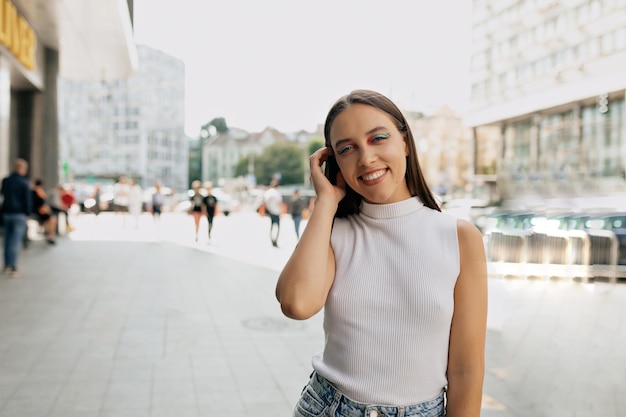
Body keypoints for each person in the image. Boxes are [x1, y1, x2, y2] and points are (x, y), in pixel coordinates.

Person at [276, 90, 488, 417]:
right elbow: (296, 303)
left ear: (404, 142)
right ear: (335, 163)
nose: (366, 158)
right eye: (347, 149)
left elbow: (466, 370)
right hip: (330, 408)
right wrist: (326, 203)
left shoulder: (460, 238)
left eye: (378, 138)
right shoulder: (333, 233)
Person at [1, 159, 32, 276]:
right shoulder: (24, 183)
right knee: (15, 241)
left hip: (6, 213)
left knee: (7, 240)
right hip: (19, 214)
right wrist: (27, 214)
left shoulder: (6, 181)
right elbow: (27, 200)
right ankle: (13, 266)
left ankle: (6, 265)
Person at [32, 179, 57, 244]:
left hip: (38, 211)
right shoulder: (39, 192)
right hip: (40, 211)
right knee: (52, 219)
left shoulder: (35, 191)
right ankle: (50, 236)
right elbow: (42, 204)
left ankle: (49, 234)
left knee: (49, 220)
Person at [263, 179, 283, 247]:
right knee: (277, 227)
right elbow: (279, 203)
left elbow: (264, 202)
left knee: (272, 226)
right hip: (276, 211)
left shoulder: (268, 192)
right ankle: (275, 240)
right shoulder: (277, 193)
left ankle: (272, 239)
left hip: (270, 211)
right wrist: (282, 212)